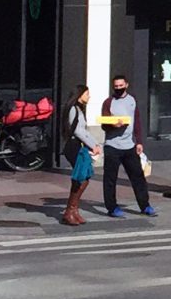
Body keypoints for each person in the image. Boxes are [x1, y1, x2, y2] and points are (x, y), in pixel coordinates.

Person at [97, 73, 155, 217]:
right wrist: (114, 125)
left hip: (129, 146)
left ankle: (145, 205)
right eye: (116, 86)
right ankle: (112, 207)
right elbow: (104, 124)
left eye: (121, 86)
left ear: (126, 85)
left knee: (138, 177)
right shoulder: (108, 102)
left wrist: (139, 141)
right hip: (112, 146)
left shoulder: (132, 100)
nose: (118, 88)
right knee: (110, 178)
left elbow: (137, 121)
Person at [61, 85, 103, 227]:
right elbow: (78, 131)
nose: (89, 97)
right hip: (74, 146)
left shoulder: (78, 109)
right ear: (79, 95)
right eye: (87, 94)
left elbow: (83, 131)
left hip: (80, 146)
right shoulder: (74, 109)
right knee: (81, 178)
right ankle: (70, 211)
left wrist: (95, 143)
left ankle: (73, 210)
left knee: (84, 177)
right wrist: (93, 145)